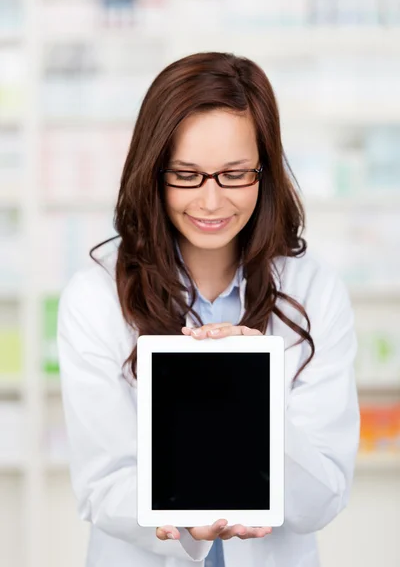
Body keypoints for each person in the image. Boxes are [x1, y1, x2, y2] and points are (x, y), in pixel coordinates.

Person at [57, 51, 360, 567]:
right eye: (187, 174)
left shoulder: (314, 291)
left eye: (235, 174)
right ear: (153, 172)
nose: (212, 201)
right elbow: (103, 484)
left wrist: (254, 401)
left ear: (265, 172)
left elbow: (324, 494)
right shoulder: (97, 298)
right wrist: (179, 517)